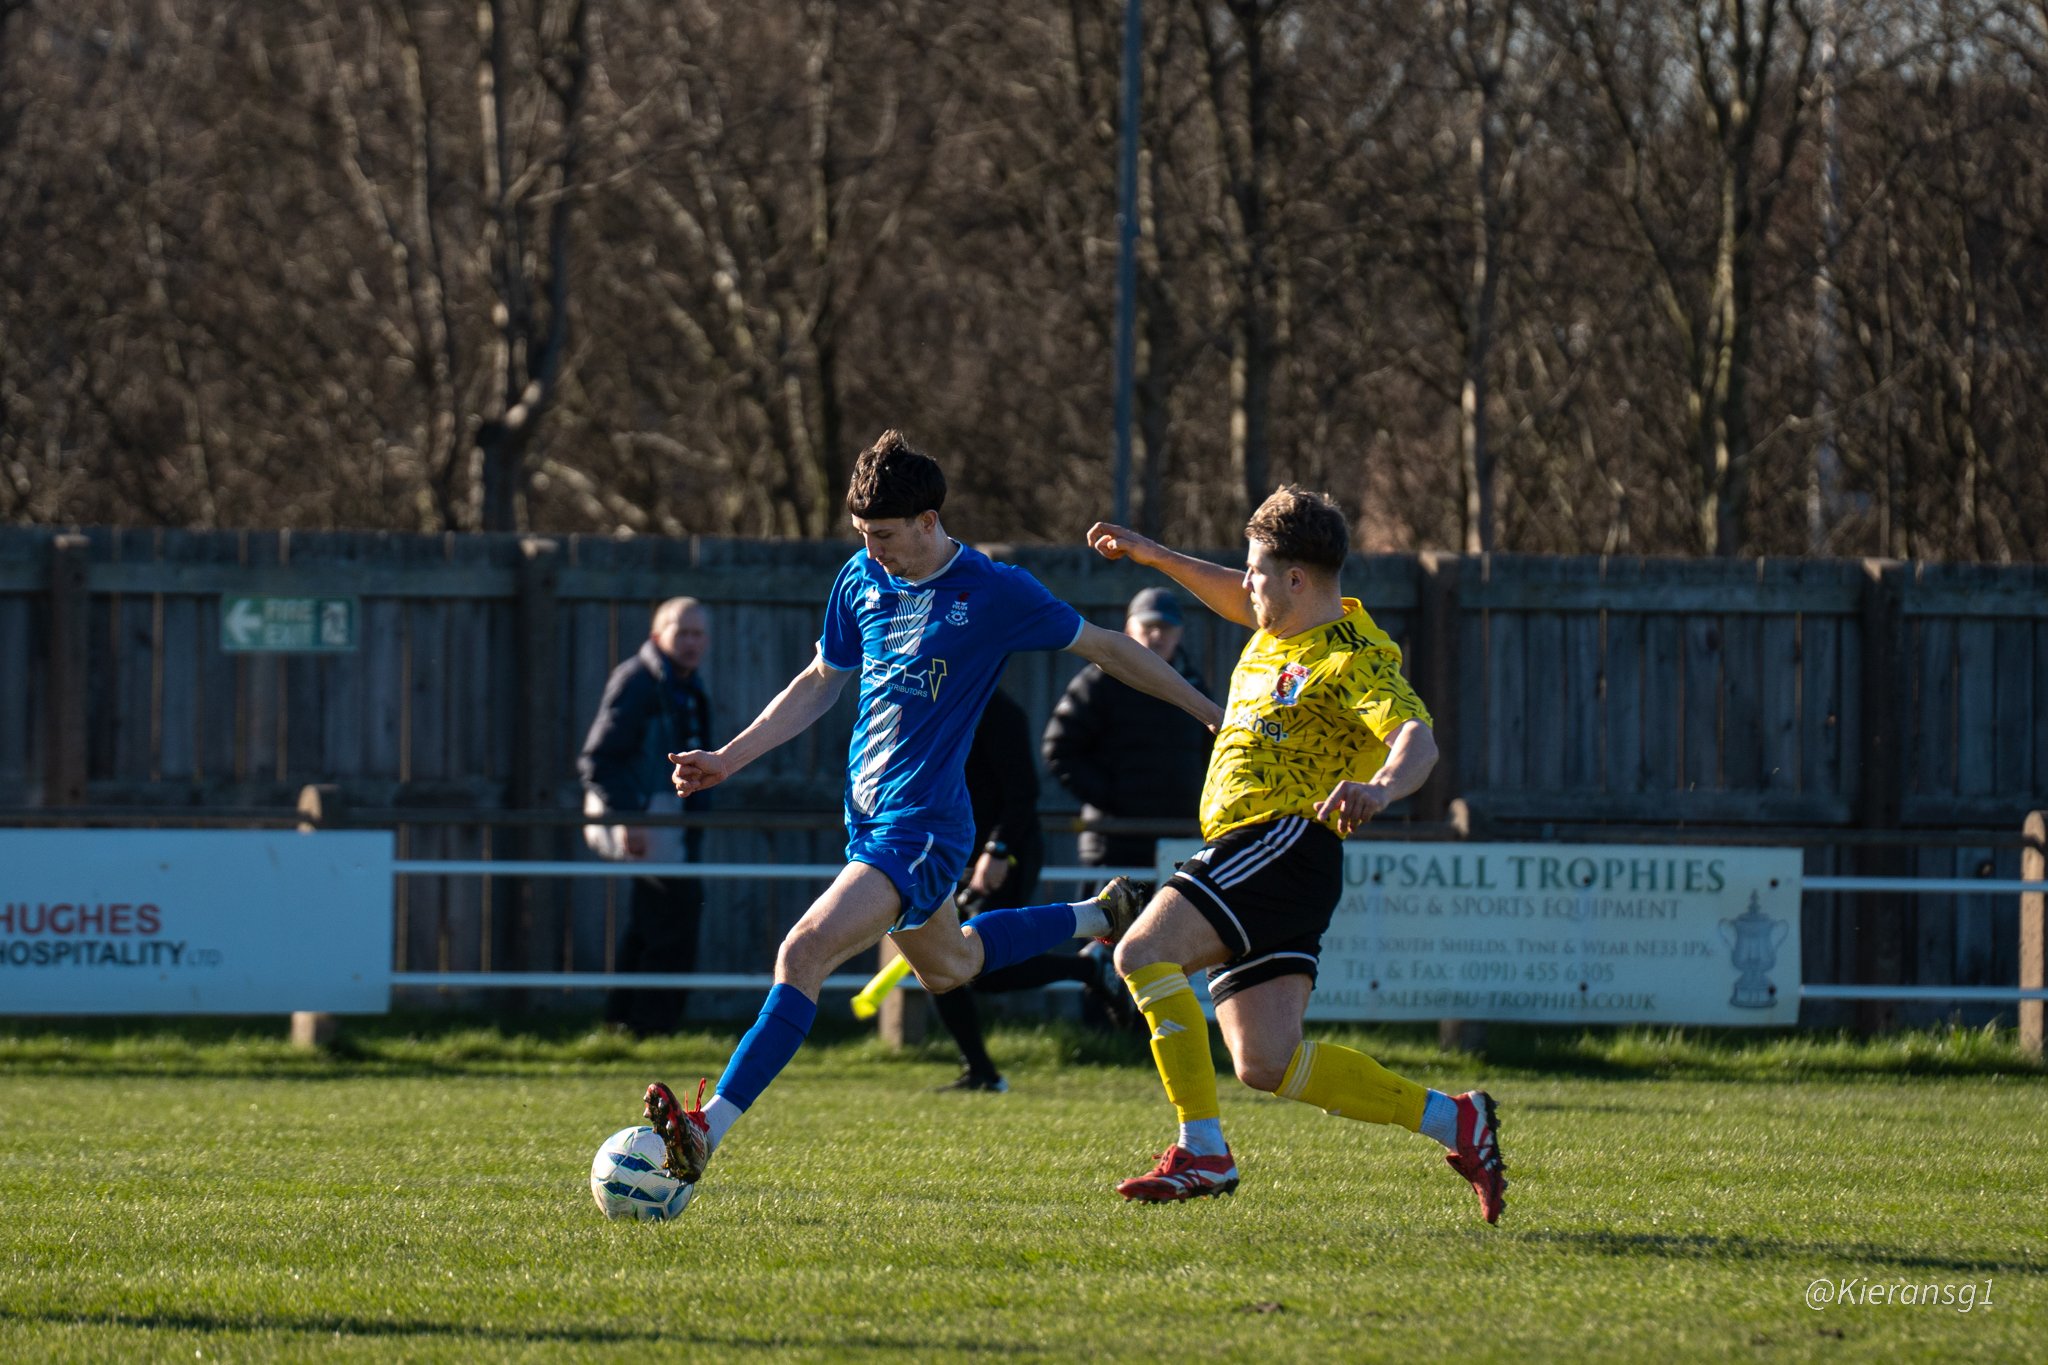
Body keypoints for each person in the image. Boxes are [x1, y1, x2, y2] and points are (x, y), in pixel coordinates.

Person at [640, 430, 1222, 1206]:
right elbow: (821, 679)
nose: (873, 552)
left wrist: (1210, 710)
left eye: (884, 536)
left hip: (924, 827)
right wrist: (729, 756)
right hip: (869, 820)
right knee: (953, 966)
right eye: (863, 537)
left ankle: (708, 1125)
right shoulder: (859, 580)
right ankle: (1097, 914)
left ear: (928, 519)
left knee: (804, 949)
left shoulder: (993, 591)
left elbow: (1110, 648)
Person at [1080, 486, 1507, 1220]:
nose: (1244, 583)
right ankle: (1455, 1120)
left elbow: (1418, 738)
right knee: (1266, 1061)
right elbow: (1227, 592)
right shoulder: (1277, 623)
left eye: (1255, 570)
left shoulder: (1353, 655)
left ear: (1297, 579)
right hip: (1276, 859)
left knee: (1141, 949)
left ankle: (1201, 1148)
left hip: (1281, 840)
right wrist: (1153, 553)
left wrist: (1379, 787)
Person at [929, 688, 1125, 1093]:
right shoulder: (934, 706)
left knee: (978, 969)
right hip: (950, 854)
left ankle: (1088, 968)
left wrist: (996, 851)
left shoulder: (998, 711)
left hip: (1005, 854)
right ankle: (981, 1071)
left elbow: (1022, 795)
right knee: (935, 964)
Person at [578, 597, 715, 1038]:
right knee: (674, 919)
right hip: (648, 818)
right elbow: (599, 759)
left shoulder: (684, 684)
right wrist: (630, 818)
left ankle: (623, 1023)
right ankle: (653, 1029)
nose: (692, 642)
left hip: (673, 819)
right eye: (683, 633)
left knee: (651, 921)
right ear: (659, 636)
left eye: (699, 634)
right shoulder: (638, 680)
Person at [1042, 585, 1213, 872]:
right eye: (1149, 625)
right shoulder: (1098, 683)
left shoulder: (1193, 686)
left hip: (1179, 841)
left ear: (1179, 632)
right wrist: (1113, 799)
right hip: (1114, 844)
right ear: (1128, 627)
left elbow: (1210, 754)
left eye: (1166, 627)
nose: (1157, 635)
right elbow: (1059, 749)